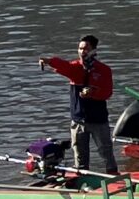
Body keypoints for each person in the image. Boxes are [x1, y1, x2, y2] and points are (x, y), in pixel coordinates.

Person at [41, 35, 117, 178]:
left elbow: (107, 93)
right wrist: (49, 61)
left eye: (86, 49)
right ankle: (83, 180)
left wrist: (93, 93)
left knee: (106, 151)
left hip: (98, 120)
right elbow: (64, 66)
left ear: (94, 50)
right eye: (80, 48)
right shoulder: (75, 68)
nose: (82, 51)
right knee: (80, 155)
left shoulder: (104, 70)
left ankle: (114, 176)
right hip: (78, 120)